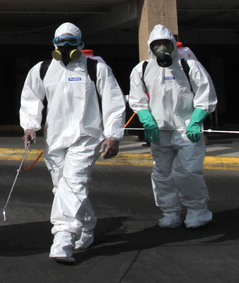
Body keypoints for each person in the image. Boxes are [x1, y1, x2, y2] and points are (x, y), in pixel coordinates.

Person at [20, 22, 126, 264]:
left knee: (74, 184)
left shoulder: (95, 68)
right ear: (54, 44)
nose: (66, 47)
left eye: (71, 42)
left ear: (81, 44)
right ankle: (87, 226)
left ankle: (63, 239)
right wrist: (30, 126)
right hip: (55, 139)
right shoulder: (43, 69)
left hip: (86, 138)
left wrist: (113, 135)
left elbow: (113, 101)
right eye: (61, 42)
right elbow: (30, 98)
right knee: (63, 188)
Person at [128, 24, 218, 230]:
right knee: (162, 173)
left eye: (165, 43)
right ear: (151, 47)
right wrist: (147, 119)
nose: (161, 48)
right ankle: (170, 211)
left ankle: (197, 211)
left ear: (173, 45)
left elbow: (206, 95)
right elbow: (137, 99)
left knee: (188, 172)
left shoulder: (190, 66)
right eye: (156, 44)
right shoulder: (142, 69)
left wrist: (196, 120)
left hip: (187, 130)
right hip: (159, 131)